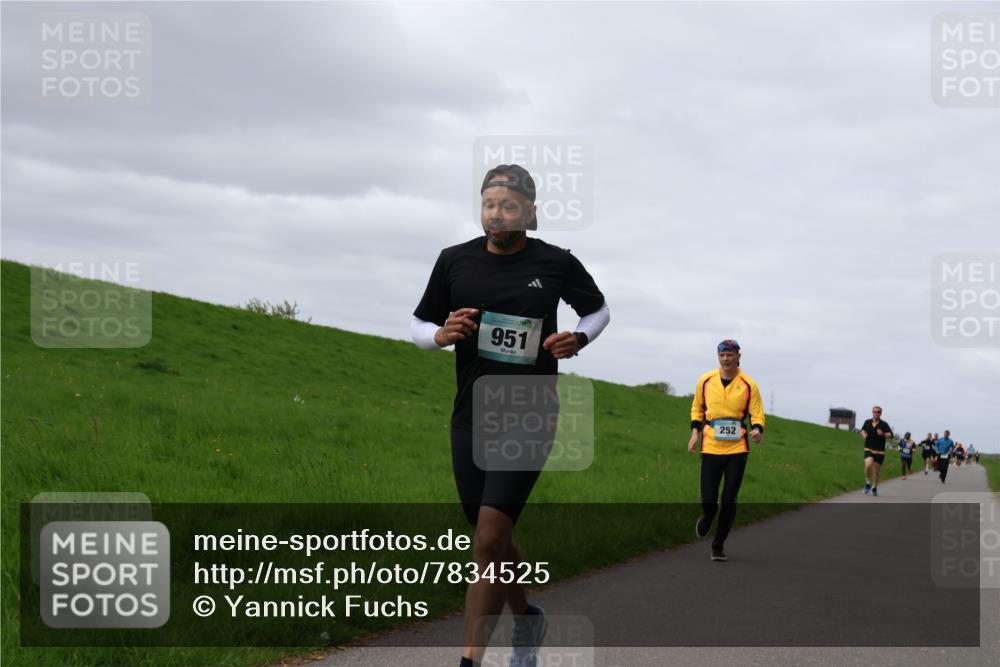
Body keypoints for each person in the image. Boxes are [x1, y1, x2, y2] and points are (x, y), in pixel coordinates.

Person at [411, 164, 610, 667]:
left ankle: (470, 660)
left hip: (530, 413)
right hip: (470, 416)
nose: (496, 214)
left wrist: (579, 337)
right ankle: (527, 617)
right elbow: (420, 323)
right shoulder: (454, 261)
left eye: (508, 206)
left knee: (490, 539)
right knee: (491, 536)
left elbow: (599, 310)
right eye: (488, 205)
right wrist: (438, 335)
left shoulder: (557, 263)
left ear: (531, 212)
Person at [688, 339, 765, 562]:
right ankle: (707, 517)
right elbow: (697, 409)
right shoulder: (706, 380)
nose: (726, 359)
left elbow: (757, 413)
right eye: (722, 355)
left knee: (729, 499)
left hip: (737, 449)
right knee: (709, 499)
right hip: (710, 446)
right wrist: (695, 433)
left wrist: (758, 429)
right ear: (718, 357)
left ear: (739, 356)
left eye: (730, 355)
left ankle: (718, 544)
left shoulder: (749, 384)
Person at [859, 406, 893, 497]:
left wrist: (883, 433)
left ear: (880, 413)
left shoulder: (884, 424)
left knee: (876, 471)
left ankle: (875, 487)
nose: (876, 413)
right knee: (868, 465)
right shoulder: (867, 422)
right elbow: (862, 430)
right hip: (869, 448)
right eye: (874, 411)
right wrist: (863, 434)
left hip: (880, 451)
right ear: (872, 412)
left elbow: (890, 434)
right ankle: (867, 483)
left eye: (878, 412)